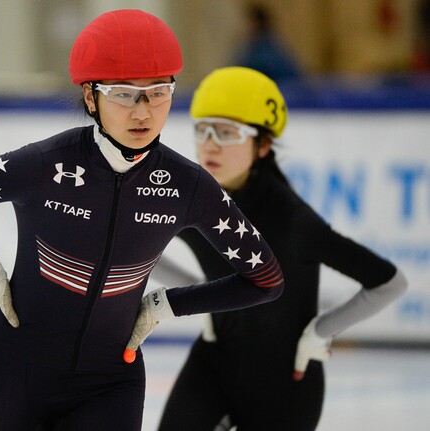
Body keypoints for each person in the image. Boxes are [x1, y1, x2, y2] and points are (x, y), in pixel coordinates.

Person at [0, 10, 284, 431]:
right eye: (124, 94)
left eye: (159, 92)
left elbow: (266, 280)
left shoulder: (189, 186)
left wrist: (166, 305)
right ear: (91, 97)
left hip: (110, 385)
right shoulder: (41, 165)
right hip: (13, 371)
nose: (143, 112)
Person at [157, 67, 408, 431]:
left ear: (263, 145)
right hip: (212, 364)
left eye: (226, 133)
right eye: (202, 129)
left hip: (286, 380)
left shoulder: (293, 221)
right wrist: (202, 297)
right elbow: (135, 249)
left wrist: (321, 332)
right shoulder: (194, 200)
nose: (210, 143)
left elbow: (389, 282)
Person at [233, 3, 301, 83]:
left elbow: (240, 74)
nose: (242, 28)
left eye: (248, 23)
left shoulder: (265, 52)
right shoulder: (257, 47)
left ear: (256, 24)